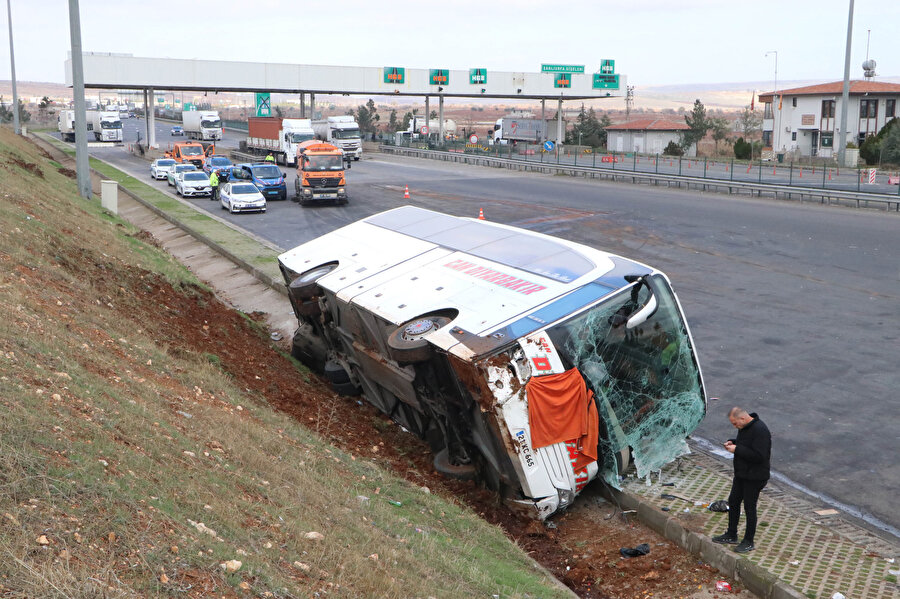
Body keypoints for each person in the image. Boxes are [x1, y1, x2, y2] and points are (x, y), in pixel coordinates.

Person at [712, 406, 771, 553]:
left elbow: (760, 456)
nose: (734, 426)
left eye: (735, 423)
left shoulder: (760, 431)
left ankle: (748, 541)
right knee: (733, 501)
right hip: (742, 474)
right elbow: (745, 444)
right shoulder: (745, 427)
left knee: (749, 507)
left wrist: (737, 449)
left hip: (755, 476)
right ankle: (731, 534)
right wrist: (733, 442)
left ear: (743, 418)